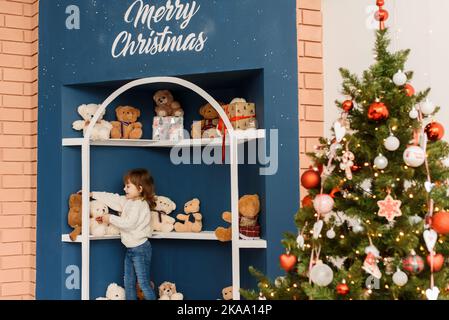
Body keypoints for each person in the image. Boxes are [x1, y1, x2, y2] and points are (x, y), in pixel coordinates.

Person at [92, 168, 156, 300]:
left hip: (141, 248)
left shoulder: (140, 204)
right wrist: (93, 194)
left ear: (140, 188)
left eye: (128, 186)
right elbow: (113, 199)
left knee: (143, 283)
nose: (124, 189)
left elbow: (129, 223)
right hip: (131, 249)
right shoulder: (128, 201)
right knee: (129, 283)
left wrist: (109, 218)